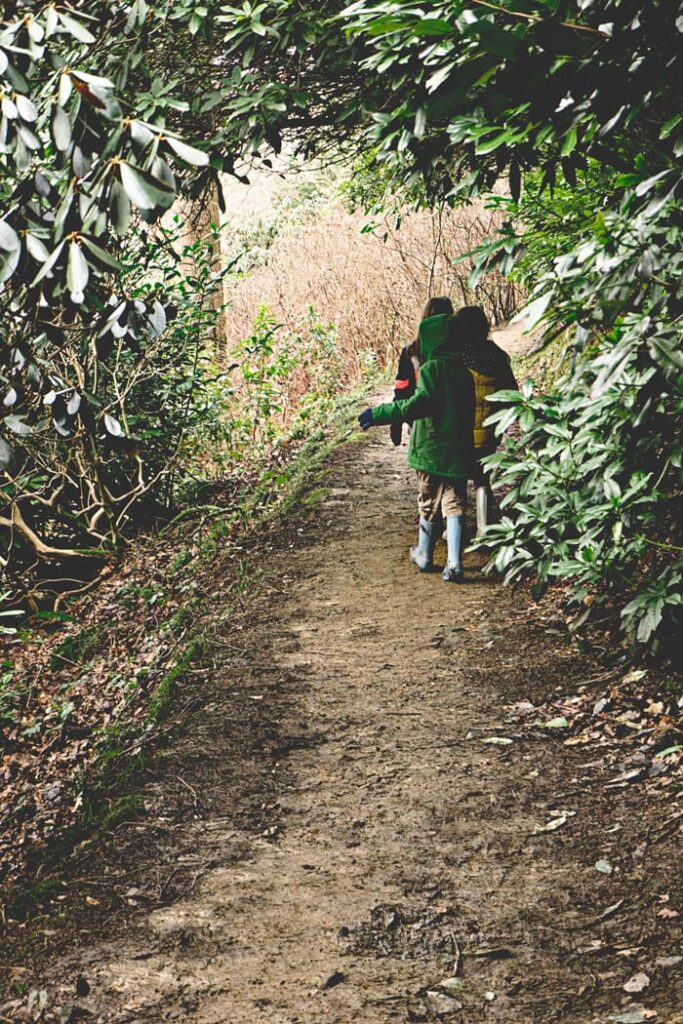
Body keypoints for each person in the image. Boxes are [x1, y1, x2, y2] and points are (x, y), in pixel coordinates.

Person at [359, 307, 474, 582]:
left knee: (428, 503)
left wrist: (379, 414)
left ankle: (424, 554)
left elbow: (418, 405)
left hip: (430, 451)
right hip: (457, 451)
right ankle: (454, 562)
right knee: (454, 502)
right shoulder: (464, 372)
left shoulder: (432, 370)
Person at [454, 306, 519, 537]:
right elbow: (512, 394)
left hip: (459, 431)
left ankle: (456, 528)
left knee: (458, 479)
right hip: (489, 431)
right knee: (482, 479)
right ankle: (483, 528)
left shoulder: (456, 357)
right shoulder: (498, 357)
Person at [389, 297, 454, 447]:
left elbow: (402, 388)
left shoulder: (411, 350)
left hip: (419, 417)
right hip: (454, 418)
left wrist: (396, 420)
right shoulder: (461, 349)